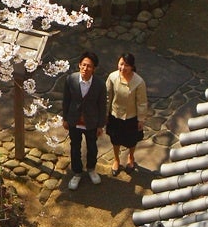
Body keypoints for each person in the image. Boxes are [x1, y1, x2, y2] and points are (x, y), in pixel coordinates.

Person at [62, 49, 107, 190]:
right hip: (74, 120)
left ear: (94, 69)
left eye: (89, 66)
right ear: (79, 65)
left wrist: (100, 125)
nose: (85, 68)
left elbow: (102, 105)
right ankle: (77, 172)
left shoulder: (99, 84)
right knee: (75, 147)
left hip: (91, 121)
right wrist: (65, 118)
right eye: (83, 65)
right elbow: (66, 100)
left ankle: (91, 168)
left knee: (92, 147)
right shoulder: (71, 80)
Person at [106, 52, 149, 178]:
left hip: (131, 117)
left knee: (131, 140)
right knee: (115, 139)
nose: (123, 68)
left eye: (126, 65)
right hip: (115, 115)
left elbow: (142, 102)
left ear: (132, 66)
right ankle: (116, 160)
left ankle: (131, 158)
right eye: (121, 64)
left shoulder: (138, 82)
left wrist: (141, 119)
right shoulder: (112, 77)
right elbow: (107, 97)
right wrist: (105, 113)